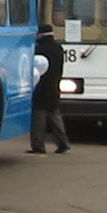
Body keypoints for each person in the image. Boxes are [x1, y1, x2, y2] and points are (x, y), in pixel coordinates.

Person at [30, 23, 70, 154]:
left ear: (40, 34)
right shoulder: (58, 48)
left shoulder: (39, 48)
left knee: (39, 117)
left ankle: (38, 145)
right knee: (54, 114)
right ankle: (63, 143)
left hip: (41, 87)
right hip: (54, 85)